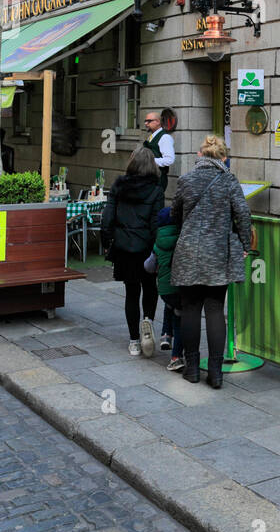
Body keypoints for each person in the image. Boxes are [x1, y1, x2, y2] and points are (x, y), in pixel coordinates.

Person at [170, 134, 253, 388]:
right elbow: (243, 215)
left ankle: (192, 368)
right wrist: (246, 246)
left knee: (190, 309)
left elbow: (174, 215)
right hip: (218, 253)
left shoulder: (185, 180)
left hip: (188, 253)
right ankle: (215, 374)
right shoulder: (229, 181)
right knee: (215, 309)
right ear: (223, 158)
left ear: (199, 155)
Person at [101, 146, 164, 357]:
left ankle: (134, 342)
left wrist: (106, 241)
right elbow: (156, 223)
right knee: (150, 287)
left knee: (131, 292)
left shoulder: (118, 186)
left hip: (124, 246)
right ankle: (148, 320)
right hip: (146, 246)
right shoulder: (156, 190)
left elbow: (107, 217)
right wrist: (158, 249)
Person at [149, 207, 184, 372]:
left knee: (169, 305)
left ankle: (165, 335)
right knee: (179, 319)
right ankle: (176, 357)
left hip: (164, 290)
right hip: (180, 286)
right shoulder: (182, 238)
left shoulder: (158, 243)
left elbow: (148, 266)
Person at [142, 108, 177, 194]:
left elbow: (169, 160)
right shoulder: (152, 136)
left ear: (158, 122)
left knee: (156, 205)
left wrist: (148, 161)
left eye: (149, 121)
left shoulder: (165, 137)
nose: (146, 124)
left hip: (158, 178)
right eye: (145, 121)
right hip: (149, 177)